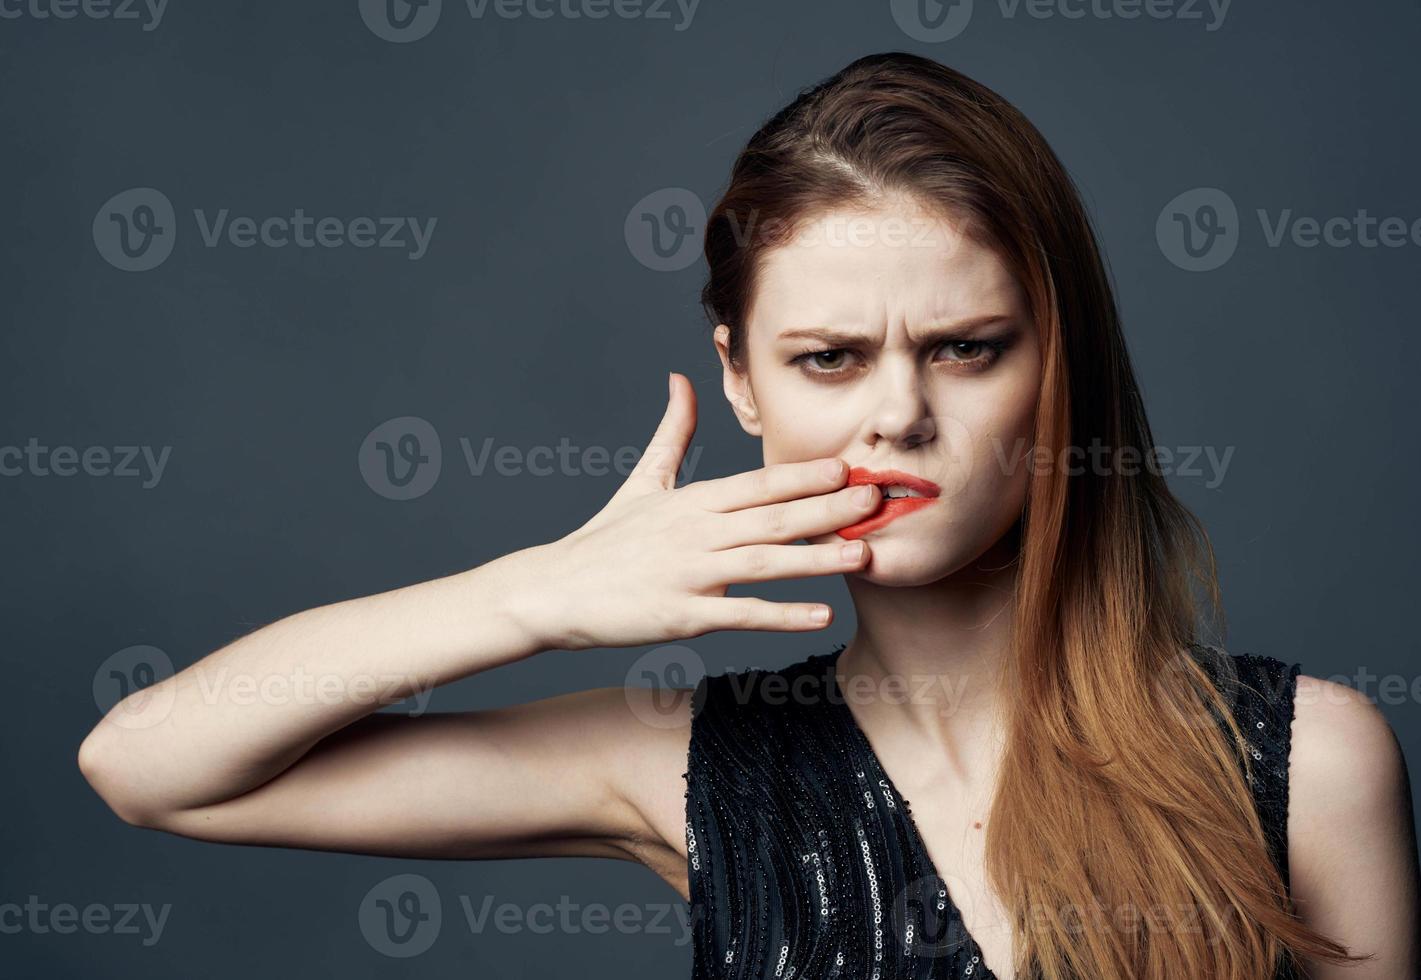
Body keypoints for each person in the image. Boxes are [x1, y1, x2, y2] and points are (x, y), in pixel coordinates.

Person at [77, 52, 1418, 979]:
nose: (896, 415)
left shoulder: (1304, 762)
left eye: (966, 346)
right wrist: (531, 598)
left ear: (1058, 359)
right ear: (742, 381)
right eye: (829, 358)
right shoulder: (690, 764)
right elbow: (149, 763)